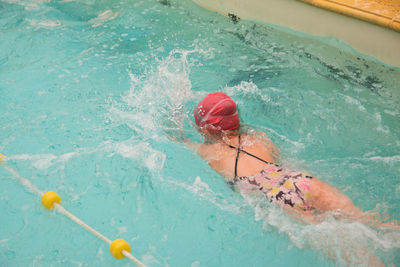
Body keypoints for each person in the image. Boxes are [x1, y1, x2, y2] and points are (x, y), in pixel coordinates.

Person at [186, 92, 399, 228]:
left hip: (275, 198)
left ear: (206, 128)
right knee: (367, 219)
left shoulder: (207, 153)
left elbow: (180, 141)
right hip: (298, 180)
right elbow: (283, 162)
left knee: (344, 245)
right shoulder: (261, 138)